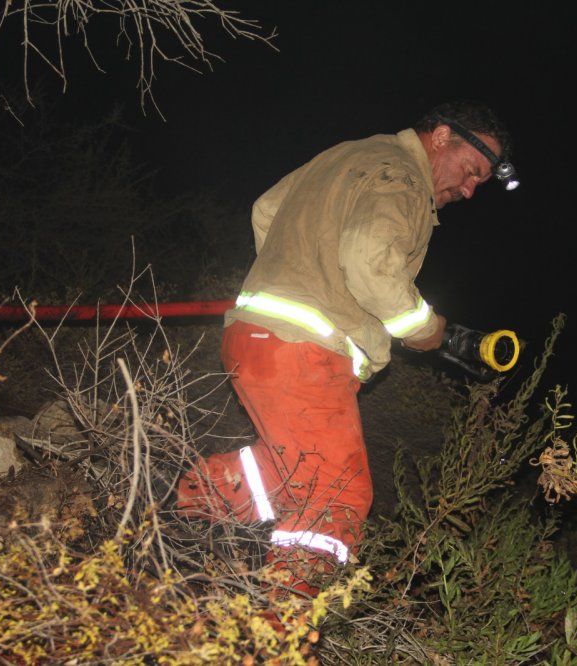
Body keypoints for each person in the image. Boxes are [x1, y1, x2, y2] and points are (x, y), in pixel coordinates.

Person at [176, 101, 516, 596]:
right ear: (442, 136)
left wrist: (292, 274)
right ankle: (280, 625)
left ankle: (176, 512)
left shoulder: (351, 153)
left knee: (290, 472)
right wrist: (424, 329)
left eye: (479, 183)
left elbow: (266, 209)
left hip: (254, 337)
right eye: (471, 171)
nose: (469, 190)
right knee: (337, 496)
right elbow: (369, 262)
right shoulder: (404, 177)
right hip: (305, 351)